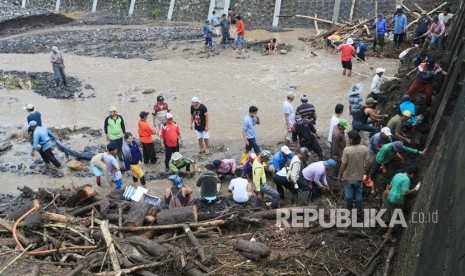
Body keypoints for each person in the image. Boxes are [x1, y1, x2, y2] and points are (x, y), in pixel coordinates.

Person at [383, 165, 420, 241]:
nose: (414, 177)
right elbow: (404, 193)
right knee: (396, 217)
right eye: (414, 175)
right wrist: (414, 190)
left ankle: (387, 223)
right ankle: (388, 234)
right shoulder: (407, 180)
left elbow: (391, 185)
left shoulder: (398, 174)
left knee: (392, 211)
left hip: (390, 196)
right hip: (397, 200)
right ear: (412, 174)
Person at [338, 130, 369, 211]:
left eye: (348, 138)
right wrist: (367, 173)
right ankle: (359, 210)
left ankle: (349, 209)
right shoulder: (364, 148)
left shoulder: (347, 150)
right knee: (358, 193)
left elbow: (343, 164)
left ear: (352, 139)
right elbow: (367, 163)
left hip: (348, 177)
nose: (348, 139)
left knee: (348, 194)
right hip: (359, 177)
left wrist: (339, 175)